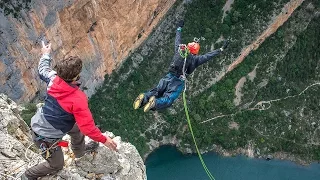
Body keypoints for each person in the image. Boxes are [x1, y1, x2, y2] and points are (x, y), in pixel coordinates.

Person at [22, 41, 117, 180]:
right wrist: (104, 139)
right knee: (57, 165)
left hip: (44, 121)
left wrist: (46, 54)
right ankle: (27, 176)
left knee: (76, 129)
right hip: (45, 136)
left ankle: (79, 153)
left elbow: (42, 69)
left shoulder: (53, 78)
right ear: (76, 77)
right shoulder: (77, 99)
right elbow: (88, 128)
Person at [133, 21, 229, 112]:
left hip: (168, 76)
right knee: (168, 99)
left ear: (187, 47)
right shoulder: (196, 60)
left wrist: (179, 28)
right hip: (178, 82)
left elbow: (177, 40)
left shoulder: (179, 51)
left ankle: (144, 98)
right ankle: (155, 103)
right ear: (196, 53)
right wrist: (221, 49)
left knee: (158, 91)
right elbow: (208, 56)